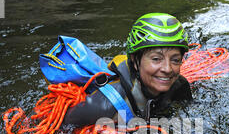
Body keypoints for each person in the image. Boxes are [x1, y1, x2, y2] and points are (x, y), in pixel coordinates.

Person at [63, 12, 192, 127]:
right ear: (135, 61)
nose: (168, 69)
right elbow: (60, 131)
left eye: (175, 60)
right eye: (156, 59)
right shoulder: (104, 106)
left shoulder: (179, 86)